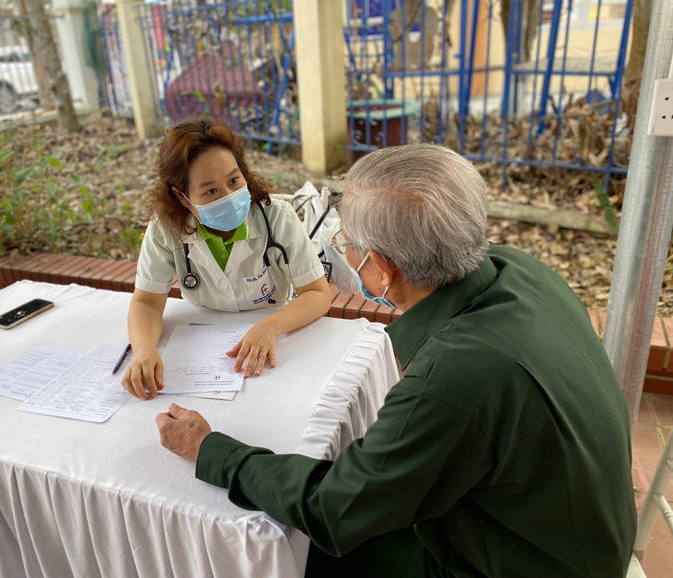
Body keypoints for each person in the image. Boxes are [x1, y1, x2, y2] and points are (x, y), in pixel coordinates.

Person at [156, 144, 637, 577]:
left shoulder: (453, 381)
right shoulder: (522, 270)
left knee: (303, 550)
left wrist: (211, 450)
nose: (343, 253)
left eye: (347, 246)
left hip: (524, 562)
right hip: (576, 531)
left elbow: (333, 509)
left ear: (381, 270)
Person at [122, 119, 331, 399]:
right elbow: (146, 301)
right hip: (201, 338)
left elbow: (317, 294)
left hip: (273, 331)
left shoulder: (276, 217)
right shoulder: (165, 230)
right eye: (211, 191)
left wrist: (271, 327)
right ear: (183, 198)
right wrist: (145, 351)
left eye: (234, 180)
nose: (230, 196)